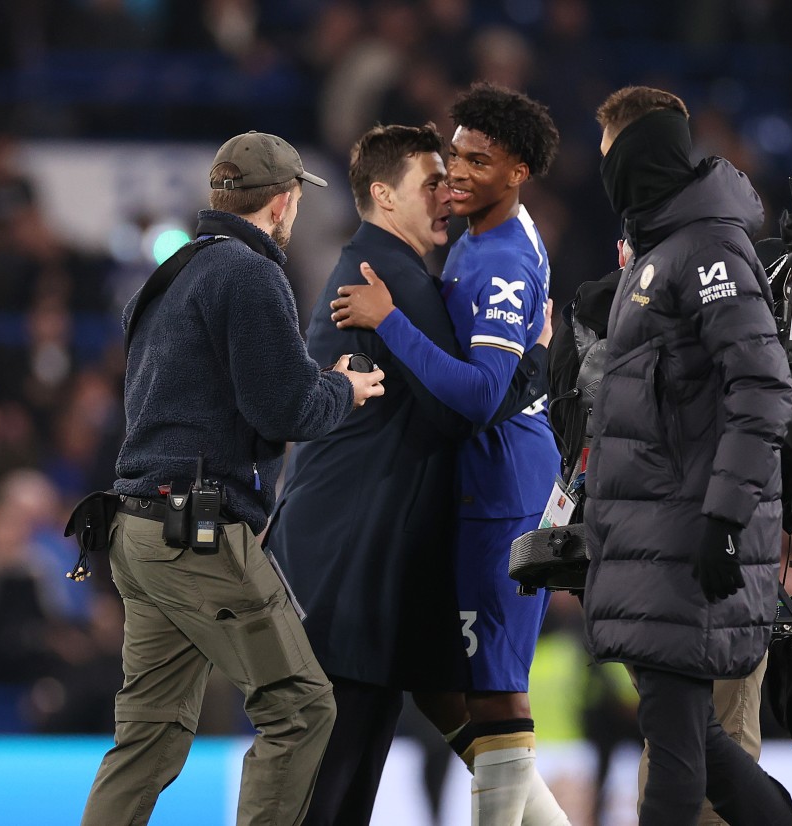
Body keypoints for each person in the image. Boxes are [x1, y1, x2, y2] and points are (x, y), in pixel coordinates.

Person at [79, 131, 385, 826]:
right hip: (197, 534)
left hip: (139, 528)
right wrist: (343, 389)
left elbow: (214, 395)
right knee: (303, 708)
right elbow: (285, 408)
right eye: (299, 198)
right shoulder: (249, 273)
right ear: (282, 204)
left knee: (148, 736)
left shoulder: (174, 271)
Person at [264, 122, 549, 826]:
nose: (447, 195)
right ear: (386, 197)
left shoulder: (382, 269)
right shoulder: (390, 280)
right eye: (431, 183)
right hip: (351, 573)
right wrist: (537, 358)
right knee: (330, 789)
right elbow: (467, 410)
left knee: (344, 781)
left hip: (354, 569)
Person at [331, 82, 570, 825]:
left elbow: (474, 396)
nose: (457, 174)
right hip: (487, 482)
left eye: (475, 160)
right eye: (452, 158)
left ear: (517, 172)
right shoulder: (480, 238)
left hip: (501, 487)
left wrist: (391, 322)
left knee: (494, 686)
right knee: (439, 677)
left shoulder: (498, 261)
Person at [581, 85, 792, 825]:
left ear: (639, 158)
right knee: (700, 748)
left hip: (685, 542)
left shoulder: (706, 248)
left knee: (678, 758)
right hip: (656, 542)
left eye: (610, 153)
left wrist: (724, 518)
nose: (603, 170)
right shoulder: (660, 251)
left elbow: (763, 384)